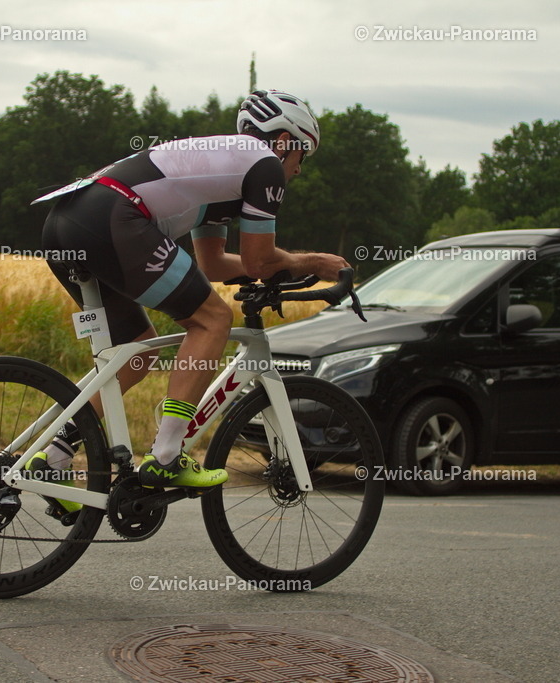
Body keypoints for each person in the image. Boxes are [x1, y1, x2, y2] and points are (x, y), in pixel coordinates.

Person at [27, 90, 350, 514]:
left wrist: (286, 267)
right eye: (302, 154)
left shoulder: (224, 167)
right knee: (213, 319)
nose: (299, 169)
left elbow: (214, 264)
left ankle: (51, 456)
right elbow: (259, 259)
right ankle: (165, 455)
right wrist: (312, 262)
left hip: (68, 221)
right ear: (284, 140)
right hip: (113, 218)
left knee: (136, 352)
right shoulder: (264, 164)